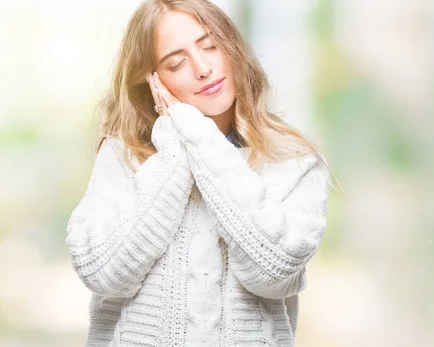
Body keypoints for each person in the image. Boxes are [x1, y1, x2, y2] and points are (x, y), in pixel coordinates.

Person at [64, 1, 334, 346]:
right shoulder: (123, 157)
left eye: (210, 46)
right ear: (152, 80)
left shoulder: (293, 161)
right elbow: (103, 273)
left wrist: (197, 135)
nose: (203, 68)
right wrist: (175, 151)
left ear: (233, 47)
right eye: (176, 62)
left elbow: (272, 270)